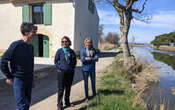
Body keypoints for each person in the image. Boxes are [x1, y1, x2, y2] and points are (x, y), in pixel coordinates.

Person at [0, 22, 37, 110]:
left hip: (28, 79)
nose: (36, 33)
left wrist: (32, 80)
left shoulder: (31, 47)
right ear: (26, 33)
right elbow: (3, 61)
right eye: (34, 31)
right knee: (21, 106)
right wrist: (9, 77)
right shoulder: (16, 45)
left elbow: (30, 65)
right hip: (19, 80)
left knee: (27, 103)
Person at [54, 36, 77, 110]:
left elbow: (74, 61)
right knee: (61, 89)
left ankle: (67, 102)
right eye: (62, 41)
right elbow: (55, 61)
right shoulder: (59, 51)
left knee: (68, 88)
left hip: (70, 73)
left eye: (65, 41)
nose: (64, 43)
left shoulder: (71, 51)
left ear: (69, 42)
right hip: (61, 73)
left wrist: (72, 68)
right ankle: (59, 104)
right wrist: (59, 67)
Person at [80, 37, 99, 102]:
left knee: (93, 82)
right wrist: (92, 58)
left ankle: (94, 94)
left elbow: (97, 59)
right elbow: (82, 59)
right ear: (85, 43)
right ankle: (87, 97)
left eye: (90, 42)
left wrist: (88, 58)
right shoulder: (83, 50)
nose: (88, 43)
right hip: (85, 70)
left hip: (92, 69)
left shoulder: (94, 50)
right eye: (87, 42)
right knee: (86, 83)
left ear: (91, 43)